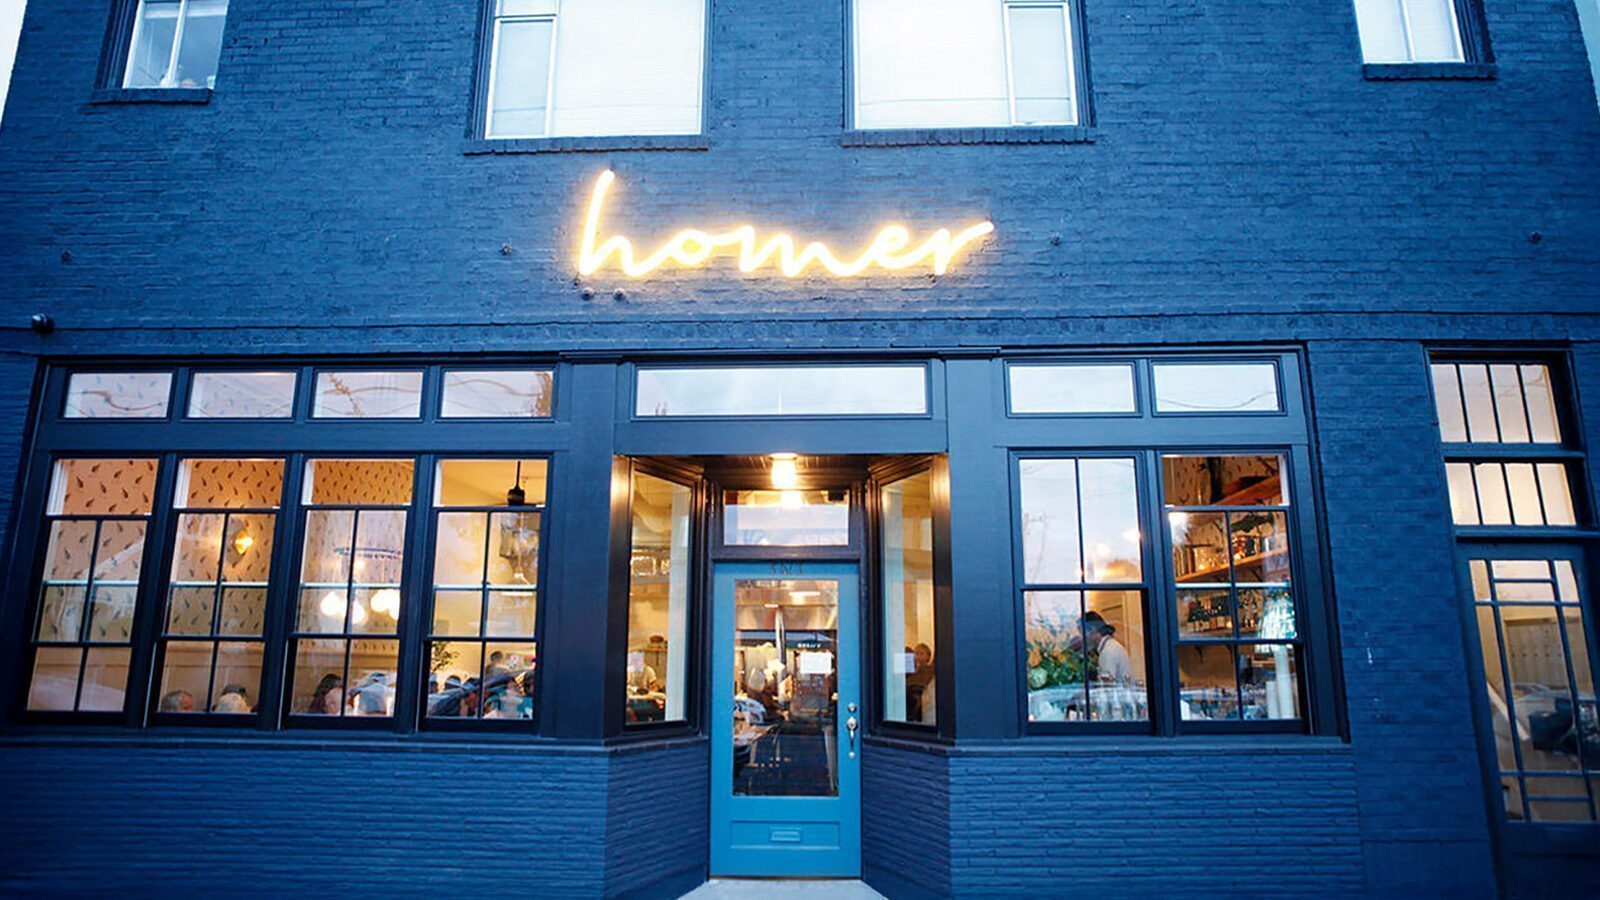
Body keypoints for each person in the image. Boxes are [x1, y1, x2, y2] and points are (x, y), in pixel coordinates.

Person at [1083, 612, 1133, 683]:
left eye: (1083, 633)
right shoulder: (1111, 646)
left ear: (1093, 630)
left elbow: (1106, 686)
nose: (1084, 638)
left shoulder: (1108, 652)